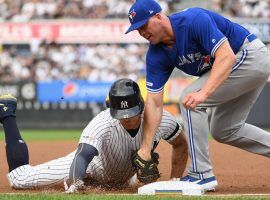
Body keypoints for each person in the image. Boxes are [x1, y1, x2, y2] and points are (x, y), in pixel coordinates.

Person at [125, 0, 270, 192]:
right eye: (137, 29)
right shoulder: (156, 54)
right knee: (224, 129)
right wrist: (145, 149)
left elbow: (227, 56)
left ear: (159, 16)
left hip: (248, 55)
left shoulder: (193, 20)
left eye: (143, 25)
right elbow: (154, 102)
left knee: (190, 100)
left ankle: (201, 174)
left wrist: (204, 93)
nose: (142, 32)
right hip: (237, 66)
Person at [1, 78, 188, 192]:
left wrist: (175, 180)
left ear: (142, 104)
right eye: (122, 115)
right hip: (91, 167)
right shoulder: (102, 123)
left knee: (128, 181)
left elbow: (180, 144)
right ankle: (7, 112)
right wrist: (76, 183)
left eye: (132, 112)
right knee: (20, 179)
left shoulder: (161, 119)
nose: (128, 118)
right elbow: (82, 155)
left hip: (120, 177)